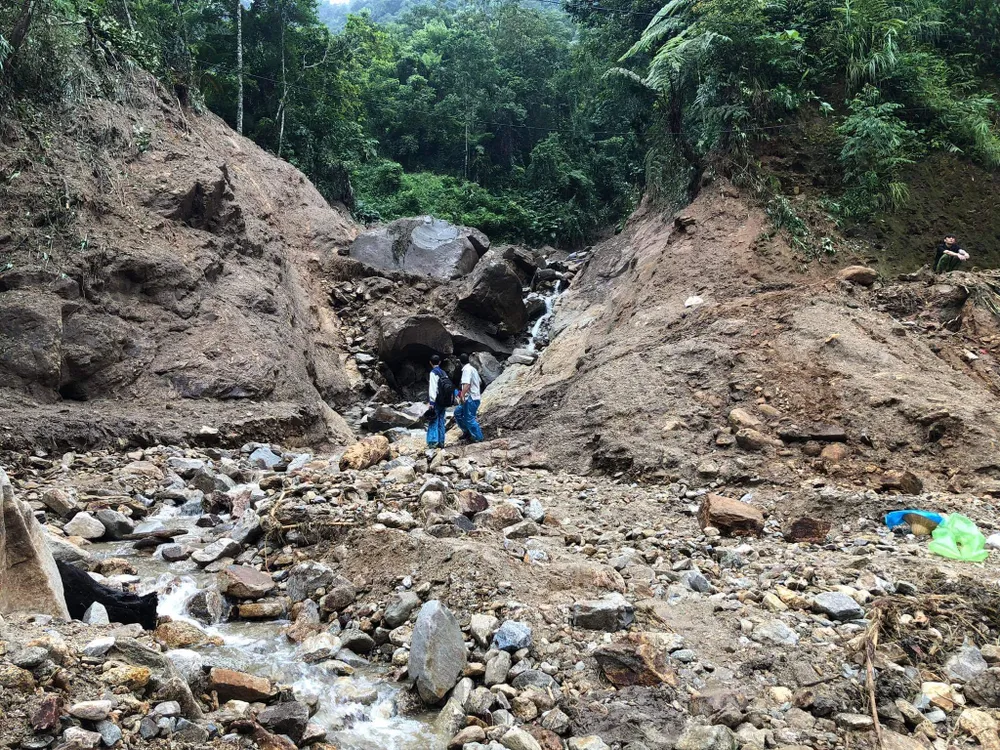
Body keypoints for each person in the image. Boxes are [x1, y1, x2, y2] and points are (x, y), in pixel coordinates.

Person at [453, 353, 484, 443]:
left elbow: (467, 384)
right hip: (473, 397)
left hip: (471, 398)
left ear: (460, 361)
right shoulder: (473, 369)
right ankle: (467, 431)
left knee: (469, 418)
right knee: (457, 413)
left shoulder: (466, 370)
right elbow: (480, 382)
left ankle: (478, 437)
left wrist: (462, 395)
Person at [426, 354, 453, 450]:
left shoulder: (433, 373)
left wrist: (431, 403)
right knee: (441, 420)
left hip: (437, 401)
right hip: (444, 401)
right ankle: (441, 442)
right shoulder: (443, 372)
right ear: (440, 362)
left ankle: (433, 442)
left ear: (430, 363)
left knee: (433, 420)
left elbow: (433, 388)